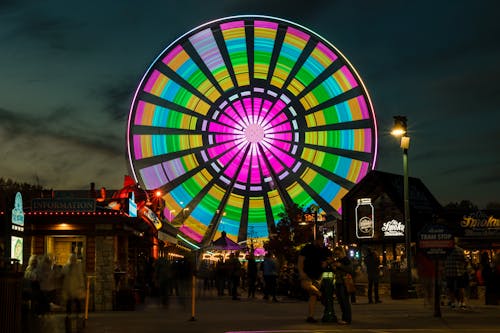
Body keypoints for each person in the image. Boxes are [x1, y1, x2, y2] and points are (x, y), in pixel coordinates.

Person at [297, 237, 331, 323]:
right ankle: (321, 295)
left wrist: (326, 263)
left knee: (313, 296)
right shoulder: (307, 248)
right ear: (315, 240)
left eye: (321, 240)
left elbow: (329, 258)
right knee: (305, 285)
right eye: (319, 240)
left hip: (318, 274)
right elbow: (300, 260)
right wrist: (301, 271)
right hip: (307, 273)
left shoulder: (323, 250)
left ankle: (310, 316)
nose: (320, 242)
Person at [333, 246, 353, 325]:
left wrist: (340, 266)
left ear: (342, 252)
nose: (337, 255)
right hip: (338, 282)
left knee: (345, 301)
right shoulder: (338, 260)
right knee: (341, 301)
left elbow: (350, 270)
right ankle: (344, 318)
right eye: (336, 254)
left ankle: (347, 319)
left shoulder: (346, 260)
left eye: (338, 253)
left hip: (344, 283)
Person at [444, 241, 467, 309]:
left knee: (450, 288)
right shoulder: (460, 250)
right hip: (459, 271)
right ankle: (462, 303)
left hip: (449, 272)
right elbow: (464, 261)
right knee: (461, 287)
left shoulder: (446, 250)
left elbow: (443, 261)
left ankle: (453, 302)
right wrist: (463, 268)